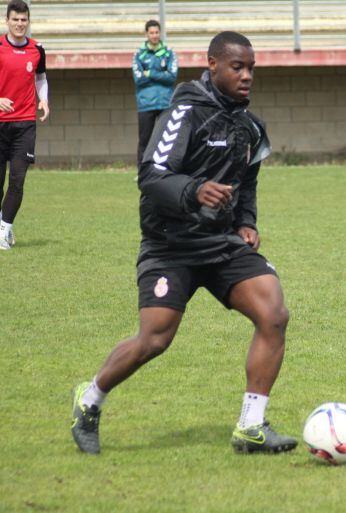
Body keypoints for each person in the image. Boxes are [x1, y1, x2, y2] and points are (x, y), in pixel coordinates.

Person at [71, 31, 296, 455]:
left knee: (274, 313)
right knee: (154, 340)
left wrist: (246, 222)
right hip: (170, 244)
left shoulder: (249, 126)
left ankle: (251, 427)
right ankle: (90, 399)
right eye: (237, 67)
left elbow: (247, 182)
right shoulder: (185, 111)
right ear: (212, 65)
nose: (247, 76)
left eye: (251, 68)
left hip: (221, 243)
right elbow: (150, 176)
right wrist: (195, 190)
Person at [0, 0, 49, 250]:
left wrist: (44, 99)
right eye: (15, 19)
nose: (20, 24)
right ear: (7, 21)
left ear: (28, 21)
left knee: (17, 180)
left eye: (24, 19)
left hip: (25, 124)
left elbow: (41, 79)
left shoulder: (37, 49)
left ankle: (4, 232)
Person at [133, 19, 178, 168]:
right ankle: (142, 171)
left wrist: (150, 73)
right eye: (151, 32)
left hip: (165, 102)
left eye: (157, 32)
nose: (154, 35)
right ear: (146, 34)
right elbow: (138, 79)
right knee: (145, 139)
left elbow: (171, 77)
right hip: (145, 103)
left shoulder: (169, 52)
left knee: (167, 138)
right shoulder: (139, 54)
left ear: (160, 33)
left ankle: (166, 169)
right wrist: (160, 74)